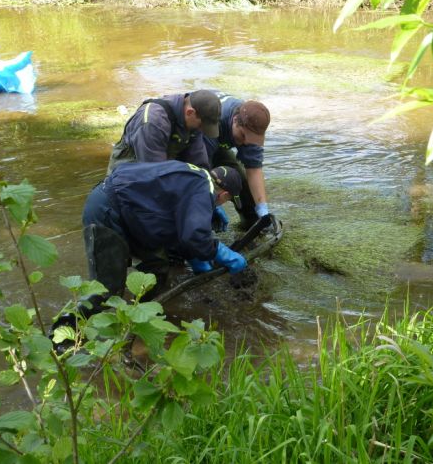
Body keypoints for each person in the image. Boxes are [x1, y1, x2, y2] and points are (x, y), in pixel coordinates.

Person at [56, 161, 247, 328]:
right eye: (226, 201)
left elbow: (177, 221)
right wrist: (219, 252)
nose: (221, 205)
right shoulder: (203, 190)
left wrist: (195, 241)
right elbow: (195, 237)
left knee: (157, 266)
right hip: (107, 212)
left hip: (129, 212)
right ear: (225, 194)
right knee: (105, 290)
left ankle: (141, 321)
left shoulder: (196, 175)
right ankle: (63, 334)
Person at [107, 90, 221, 174]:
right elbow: (155, 173)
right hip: (128, 174)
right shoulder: (153, 122)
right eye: (201, 125)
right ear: (190, 112)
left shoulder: (194, 120)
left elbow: (199, 163)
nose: (201, 129)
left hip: (160, 165)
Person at [205, 93, 272, 230]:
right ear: (235, 120)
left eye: (250, 140)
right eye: (242, 135)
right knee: (206, 188)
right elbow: (198, 167)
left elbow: (254, 169)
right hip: (195, 143)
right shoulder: (214, 120)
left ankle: (252, 226)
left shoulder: (252, 123)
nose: (245, 143)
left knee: (240, 182)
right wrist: (210, 203)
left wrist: (262, 208)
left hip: (220, 144)